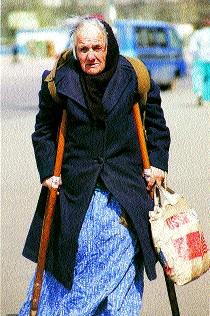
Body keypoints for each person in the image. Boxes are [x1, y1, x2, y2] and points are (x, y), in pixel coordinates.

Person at [19, 17, 170, 316]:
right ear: (75, 50)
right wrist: (49, 171)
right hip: (76, 195)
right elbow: (44, 131)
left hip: (126, 195)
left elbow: (156, 126)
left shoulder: (135, 75)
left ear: (108, 45)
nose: (90, 56)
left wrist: (158, 165)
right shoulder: (59, 81)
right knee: (73, 278)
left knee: (121, 286)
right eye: (83, 49)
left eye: (97, 48)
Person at [189, 19, 210, 105]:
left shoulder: (197, 33)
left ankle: (199, 94)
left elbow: (192, 48)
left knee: (198, 78)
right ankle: (206, 98)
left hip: (199, 59)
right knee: (208, 79)